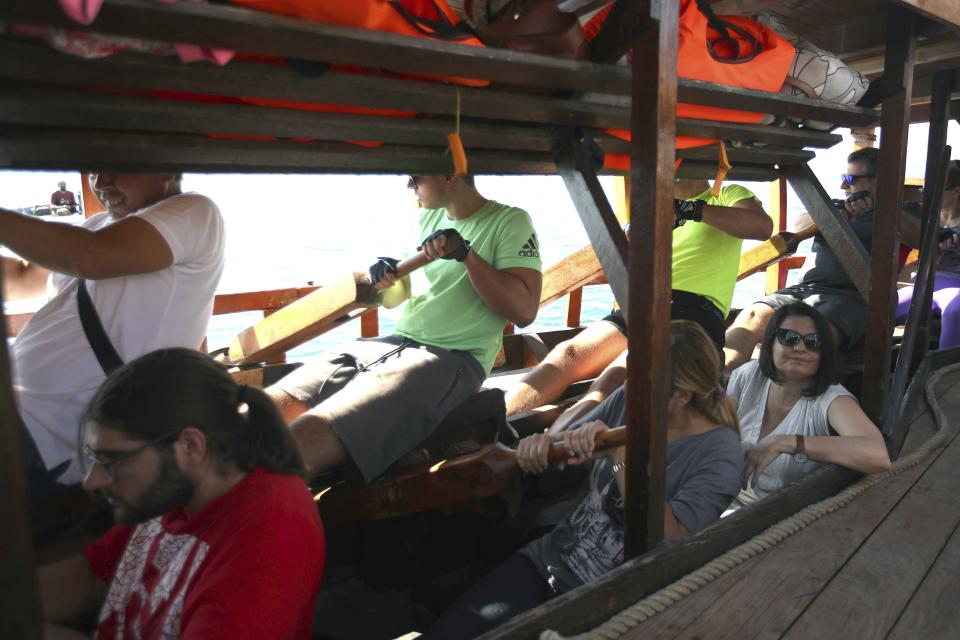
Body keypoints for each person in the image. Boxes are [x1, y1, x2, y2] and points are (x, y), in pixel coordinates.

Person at [423, 321, 742, 639]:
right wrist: (543, 447)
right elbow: (568, 445)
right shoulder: (630, 396)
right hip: (549, 561)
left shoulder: (720, 454)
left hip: (615, 599)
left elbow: (669, 538)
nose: (633, 387)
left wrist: (621, 458)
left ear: (682, 395)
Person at [267, 174, 543, 482]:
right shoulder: (428, 218)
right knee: (269, 406)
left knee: (310, 432)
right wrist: (389, 276)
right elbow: (409, 290)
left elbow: (524, 311)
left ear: (449, 177)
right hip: (397, 342)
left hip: (455, 358)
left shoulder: (510, 221)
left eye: (415, 177)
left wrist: (467, 256)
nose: (409, 186)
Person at [38, 348, 326, 640]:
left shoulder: (274, 525)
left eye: (112, 461)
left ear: (190, 446)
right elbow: (93, 577)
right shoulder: (173, 493)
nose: (92, 481)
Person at [1, 173, 225, 491]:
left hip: (45, 436)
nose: (101, 182)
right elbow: (23, 278)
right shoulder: (96, 225)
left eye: (115, 167)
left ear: (166, 169)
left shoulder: (195, 212)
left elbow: (89, 256)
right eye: (94, 170)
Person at [505, 178, 771, 425]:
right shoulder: (652, 207)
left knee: (619, 375)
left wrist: (686, 209)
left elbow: (761, 226)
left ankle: (558, 442)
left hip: (693, 313)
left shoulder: (725, 195)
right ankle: (498, 421)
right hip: (639, 305)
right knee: (568, 354)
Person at [725, 147, 922, 371]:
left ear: (881, 181)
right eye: (843, 178)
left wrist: (881, 208)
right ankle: (717, 385)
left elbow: (921, 237)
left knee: (807, 335)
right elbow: (799, 225)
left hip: (855, 299)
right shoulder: (838, 207)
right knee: (752, 315)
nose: (843, 186)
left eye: (851, 179)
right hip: (805, 290)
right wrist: (829, 215)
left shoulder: (904, 212)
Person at [729, 303, 891, 506]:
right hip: (723, 495)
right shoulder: (748, 375)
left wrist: (789, 442)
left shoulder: (830, 399)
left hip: (772, 515)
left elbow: (878, 455)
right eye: (789, 338)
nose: (800, 348)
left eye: (813, 342)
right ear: (771, 343)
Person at [894, 159, 960, 349]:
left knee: (955, 311)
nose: (928, 195)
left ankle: (945, 373)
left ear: (957, 191)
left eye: (938, 189)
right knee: (885, 308)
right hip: (925, 283)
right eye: (925, 190)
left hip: (956, 286)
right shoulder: (924, 218)